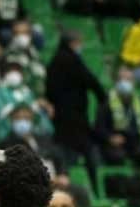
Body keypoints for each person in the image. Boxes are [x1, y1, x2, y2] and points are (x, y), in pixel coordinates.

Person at [46, 32, 107, 176]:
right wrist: (102, 97)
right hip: (75, 116)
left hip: (60, 117)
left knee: (66, 150)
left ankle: (67, 176)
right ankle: (94, 179)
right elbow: (90, 80)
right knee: (85, 149)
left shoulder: (54, 61)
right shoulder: (73, 60)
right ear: (72, 43)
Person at [94, 68, 140, 168]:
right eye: (121, 79)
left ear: (134, 83)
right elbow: (98, 127)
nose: (125, 83)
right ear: (116, 82)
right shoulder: (106, 100)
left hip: (135, 142)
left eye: (128, 80)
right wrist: (110, 138)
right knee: (117, 156)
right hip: (114, 144)